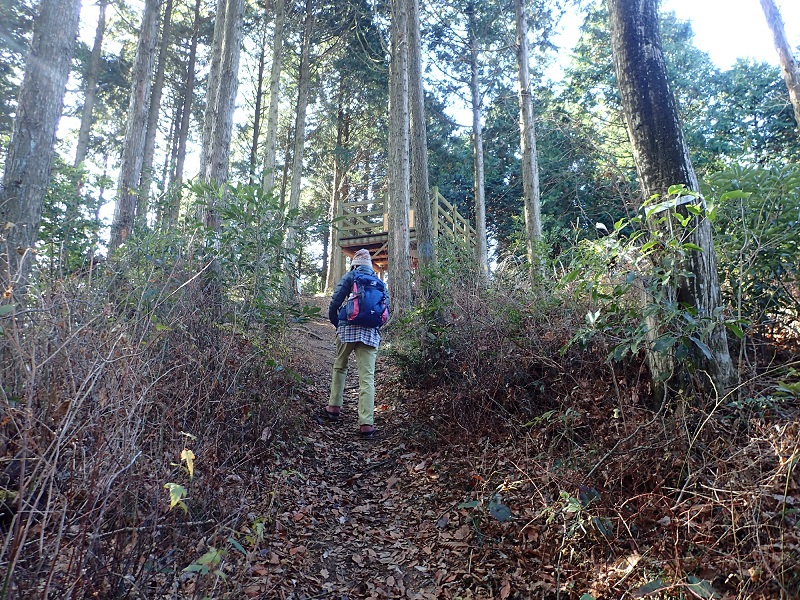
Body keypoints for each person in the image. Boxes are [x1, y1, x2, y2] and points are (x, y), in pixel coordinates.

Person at [323, 249, 389, 438]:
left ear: (355, 264)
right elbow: (386, 310)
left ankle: (334, 408)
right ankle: (366, 424)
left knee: (340, 366)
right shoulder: (380, 283)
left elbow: (335, 301)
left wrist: (337, 322)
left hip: (347, 328)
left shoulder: (351, 276)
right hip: (370, 333)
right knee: (367, 378)